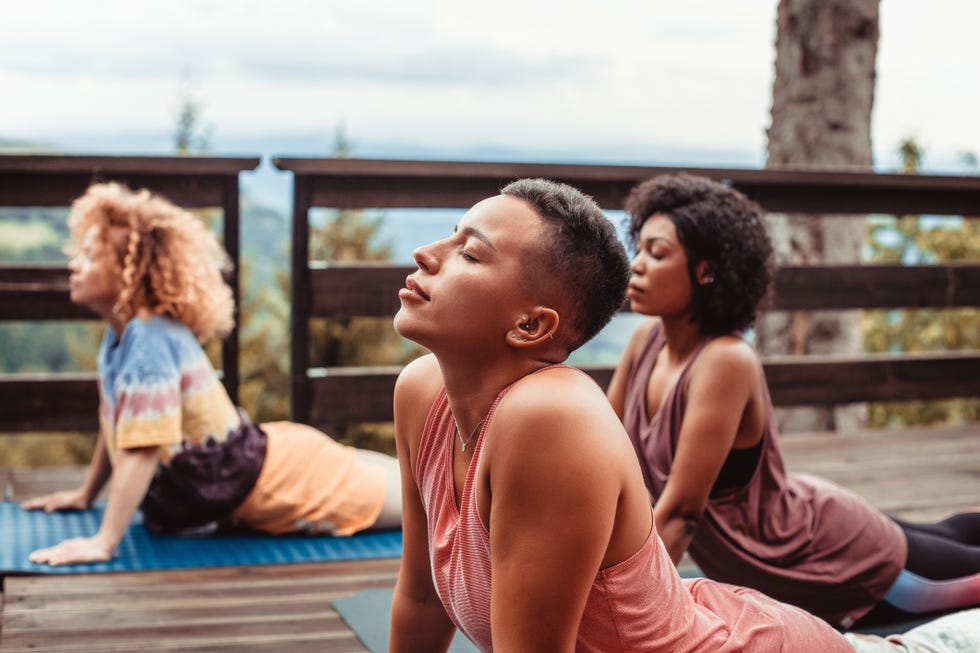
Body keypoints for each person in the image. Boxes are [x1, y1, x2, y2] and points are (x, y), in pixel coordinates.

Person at [386, 177, 980, 652]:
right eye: (450, 234)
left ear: (532, 326)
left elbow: (682, 508)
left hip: (818, 550)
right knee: (955, 537)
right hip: (725, 603)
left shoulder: (556, 413)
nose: (425, 253)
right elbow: (421, 598)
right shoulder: (423, 393)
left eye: (468, 252)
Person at [607, 173, 980, 630]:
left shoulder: (724, 361)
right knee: (954, 534)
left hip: (827, 560)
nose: (637, 264)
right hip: (802, 526)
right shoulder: (645, 342)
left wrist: (612, 609)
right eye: (639, 247)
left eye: (657, 253)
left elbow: (681, 516)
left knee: (963, 564)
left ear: (706, 271)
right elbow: (606, 458)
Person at [23, 182, 401, 567]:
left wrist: (104, 541)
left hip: (283, 483)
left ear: (127, 270)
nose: (74, 264)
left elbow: (143, 449)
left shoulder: (149, 341)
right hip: (267, 460)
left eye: (89, 255)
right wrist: (87, 493)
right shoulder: (124, 334)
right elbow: (121, 424)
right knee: (421, 483)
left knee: (425, 498)